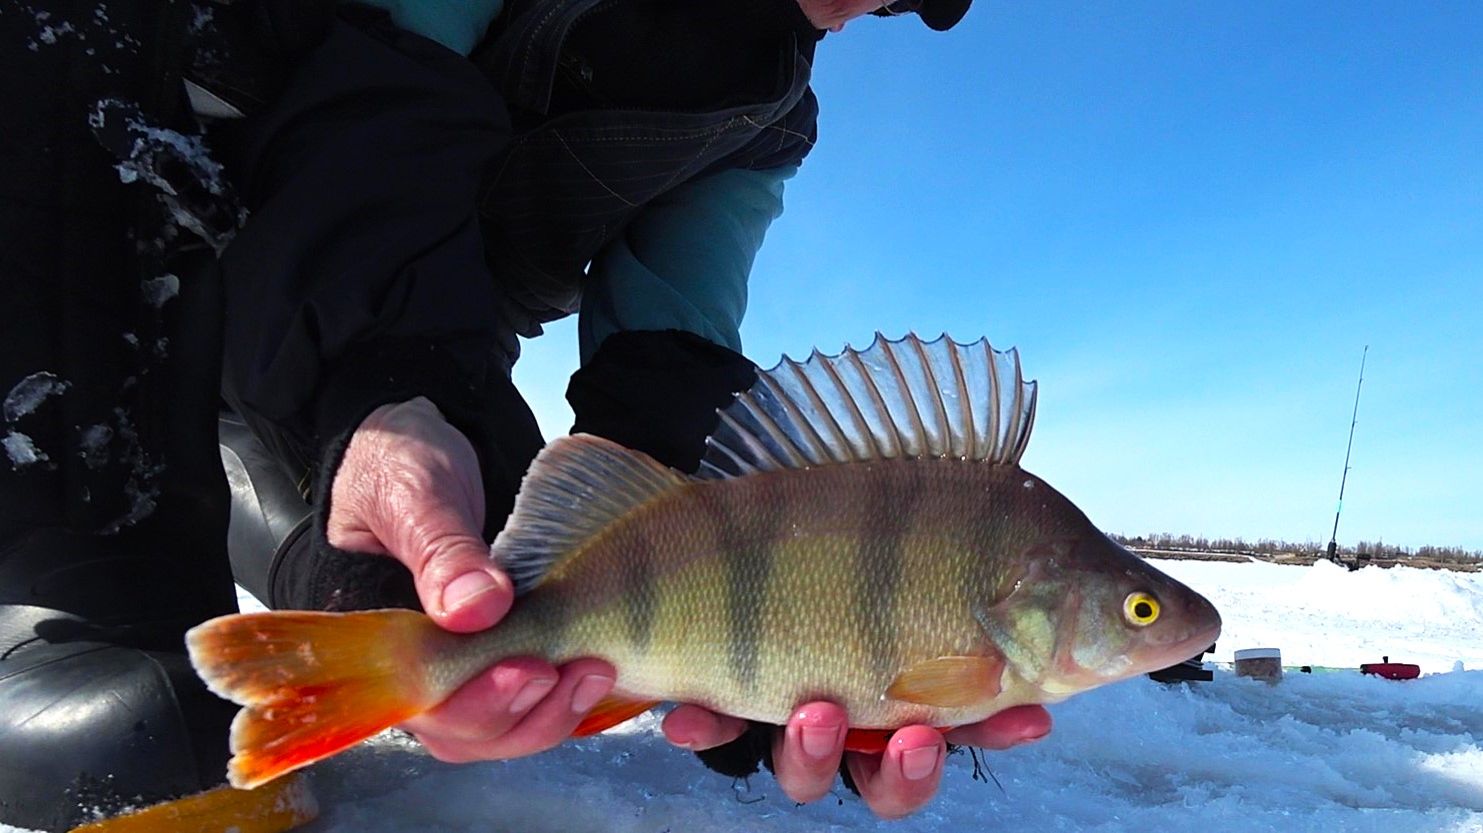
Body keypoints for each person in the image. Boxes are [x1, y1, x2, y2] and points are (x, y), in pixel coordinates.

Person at [0, 0, 1051, 829]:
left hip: (372, 372)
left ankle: (290, 509)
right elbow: (376, 123)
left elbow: (668, 341)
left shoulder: (763, 113)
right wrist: (384, 381)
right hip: (179, 263)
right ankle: (75, 578)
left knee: (454, 595)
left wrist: (797, 646)